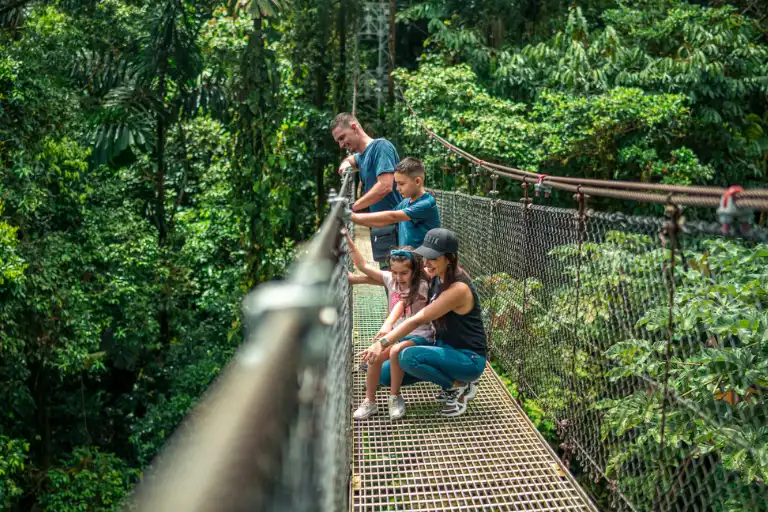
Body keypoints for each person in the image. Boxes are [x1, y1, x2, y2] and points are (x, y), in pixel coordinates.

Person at [360, 228, 486, 417]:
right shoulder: (437, 273)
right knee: (385, 376)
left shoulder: (458, 289)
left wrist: (382, 343)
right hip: (442, 348)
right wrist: (357, 279)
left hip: (468, 358)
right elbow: (398, 276)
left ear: (450, 258)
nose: (426, 263)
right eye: (425, 256)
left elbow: (418, 319)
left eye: (433, 258)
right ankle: (452, 379)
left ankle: (459, 385)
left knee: (407, 356)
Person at [346, 232, 434, 421]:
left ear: (415, 271)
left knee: (394, 351)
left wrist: (388, 325)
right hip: (397, 334)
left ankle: (395, 397)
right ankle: (369, 401)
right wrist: (348, 240)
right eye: (394, 272)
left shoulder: (420, 285)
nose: (398, 277)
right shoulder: (391, 279)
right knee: (374, 356)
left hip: (419, 335)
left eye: (404, 273)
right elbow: (363, 266)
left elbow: (403, 303)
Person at [349, 157, 440, 249]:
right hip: (407, 256)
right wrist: (355, 218)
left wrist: (351, 216)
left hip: (423, 258)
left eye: (401, 184)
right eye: (396, 183)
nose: (397, 188)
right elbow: (384, 221)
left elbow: (392, 217)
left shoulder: (426, 204)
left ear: (417, 181)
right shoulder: (405, 202)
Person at [331, 113, 402, 215]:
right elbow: (352, 159)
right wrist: (345, 163)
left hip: (397, 222)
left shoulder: (381, 147)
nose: (341, 145)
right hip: (380, 222)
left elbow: (385, 186)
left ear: (354, 128)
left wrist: (352, 207)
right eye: (338, 141)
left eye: (342, 138)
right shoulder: (362, 157)